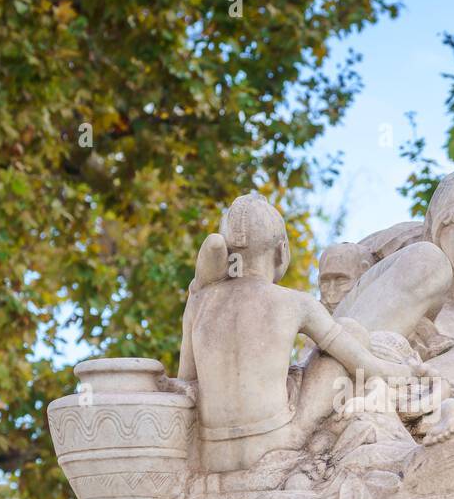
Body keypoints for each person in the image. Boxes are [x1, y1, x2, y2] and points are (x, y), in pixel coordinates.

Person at [178, 193, 419, 473]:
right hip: (275, 443)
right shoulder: (296, 303)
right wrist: (409, 373)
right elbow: (365, 365)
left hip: (212, 454)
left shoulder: (198, 302)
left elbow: (186, 381)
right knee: (350, 331)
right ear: (282, 250)